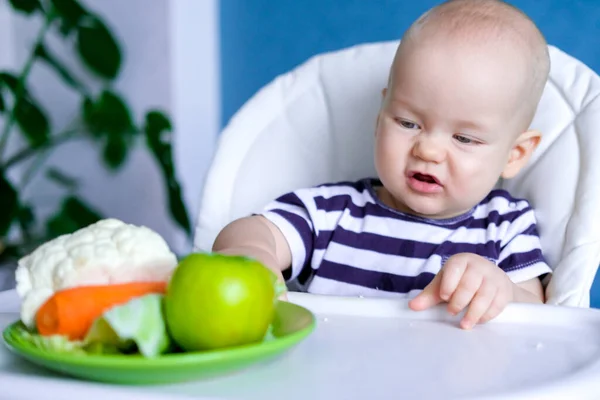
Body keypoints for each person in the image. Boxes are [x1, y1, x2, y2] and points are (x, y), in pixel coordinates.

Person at [213, 0, 552, 329]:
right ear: (380, 119)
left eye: (464, 138)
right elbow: (256, 229)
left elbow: (540, 316)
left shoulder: (505, 227)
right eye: (407, 123)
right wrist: (251, 252)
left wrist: (499, 289)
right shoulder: (331, 214)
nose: (428, 150)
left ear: (514, 155)